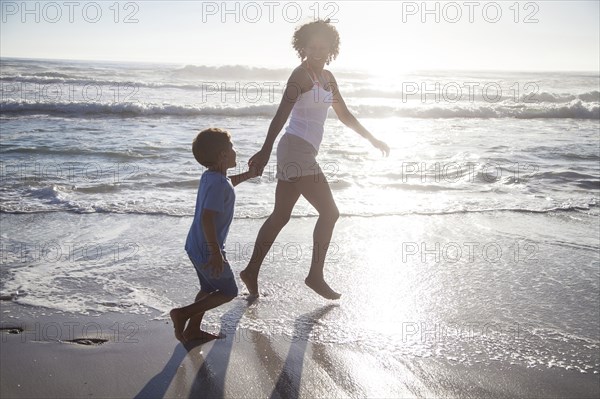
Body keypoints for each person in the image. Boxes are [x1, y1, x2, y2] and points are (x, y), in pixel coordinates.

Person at [240, 20, 390, 300]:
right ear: (303, 47)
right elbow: (281, 115)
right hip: (295, 151)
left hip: (302, 152)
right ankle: (315, 276)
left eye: (323, 47)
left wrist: (371, 138)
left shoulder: (328, 78)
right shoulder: (300, 76)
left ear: (331, 48)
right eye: (313, 47)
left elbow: (344, 115)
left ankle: (250, 271)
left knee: (281, 216)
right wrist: (264, 150)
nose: (318, 52)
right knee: (330, 212)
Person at [170, 127, 260, 343]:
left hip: (195, 245)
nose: (236, 151)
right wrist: (215, 252)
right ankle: (182, 314)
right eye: (232, 147)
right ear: (223, 155)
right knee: (228, 291)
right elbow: (207, 218)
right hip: (207, 248)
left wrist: (250, 174)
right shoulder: (218, 183)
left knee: (208, 288)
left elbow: (228, 184)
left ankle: (193, 330)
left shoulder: (212, 177)